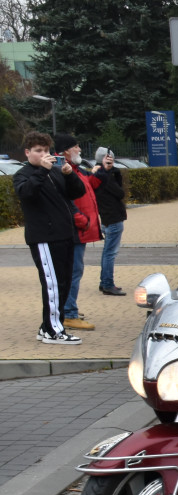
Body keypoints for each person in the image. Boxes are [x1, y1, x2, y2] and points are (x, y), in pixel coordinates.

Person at [13, 130, 87, 344]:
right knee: (53, 285)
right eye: (38, 151)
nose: (43, 154)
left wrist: (69, 174)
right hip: (44, 238)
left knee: (63, 283)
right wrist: (42, 171)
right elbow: (27, 193)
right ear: (28, 152)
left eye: (46, 150)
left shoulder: (55, 172)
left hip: (65, 235)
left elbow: (78, 192)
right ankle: (54, 330)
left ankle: (48, 327)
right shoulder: (24, 174)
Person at [55, 133, 101, 330]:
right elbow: (64, 200)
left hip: (80, 228)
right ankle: (69, 313)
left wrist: (105, 171)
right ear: (66, 151)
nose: (80, 150)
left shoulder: (76, 169)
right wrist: (81, 220)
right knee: (73, 272)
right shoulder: (62, 170)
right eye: (76, 147)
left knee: (73, 271)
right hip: (74, 229)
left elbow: (91, 187)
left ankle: (67, 308)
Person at [92, 147, 127, 295]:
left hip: (106, 218)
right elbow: (119, 192)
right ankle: (107, 283)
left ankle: (104, 282)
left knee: (107, 252)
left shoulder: (97, 174)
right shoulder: (103, 177)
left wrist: (113, 171)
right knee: (110, 253)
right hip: (113, 218)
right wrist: (110, 173)